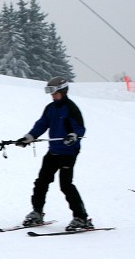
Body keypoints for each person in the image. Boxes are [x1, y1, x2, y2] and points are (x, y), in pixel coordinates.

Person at [16, 77, 92, 232]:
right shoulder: (50, 108)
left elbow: (80, 128)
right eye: (50, 93)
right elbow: (41, 125)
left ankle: (81, 218)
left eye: (55, 93)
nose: (52, 96)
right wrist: (28, 138)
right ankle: (37, 212)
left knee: (65, 185)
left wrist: (73, 136)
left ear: (63, 91)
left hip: (68, 152)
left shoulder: (71, 108)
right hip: (53, 151)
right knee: (41, 182)